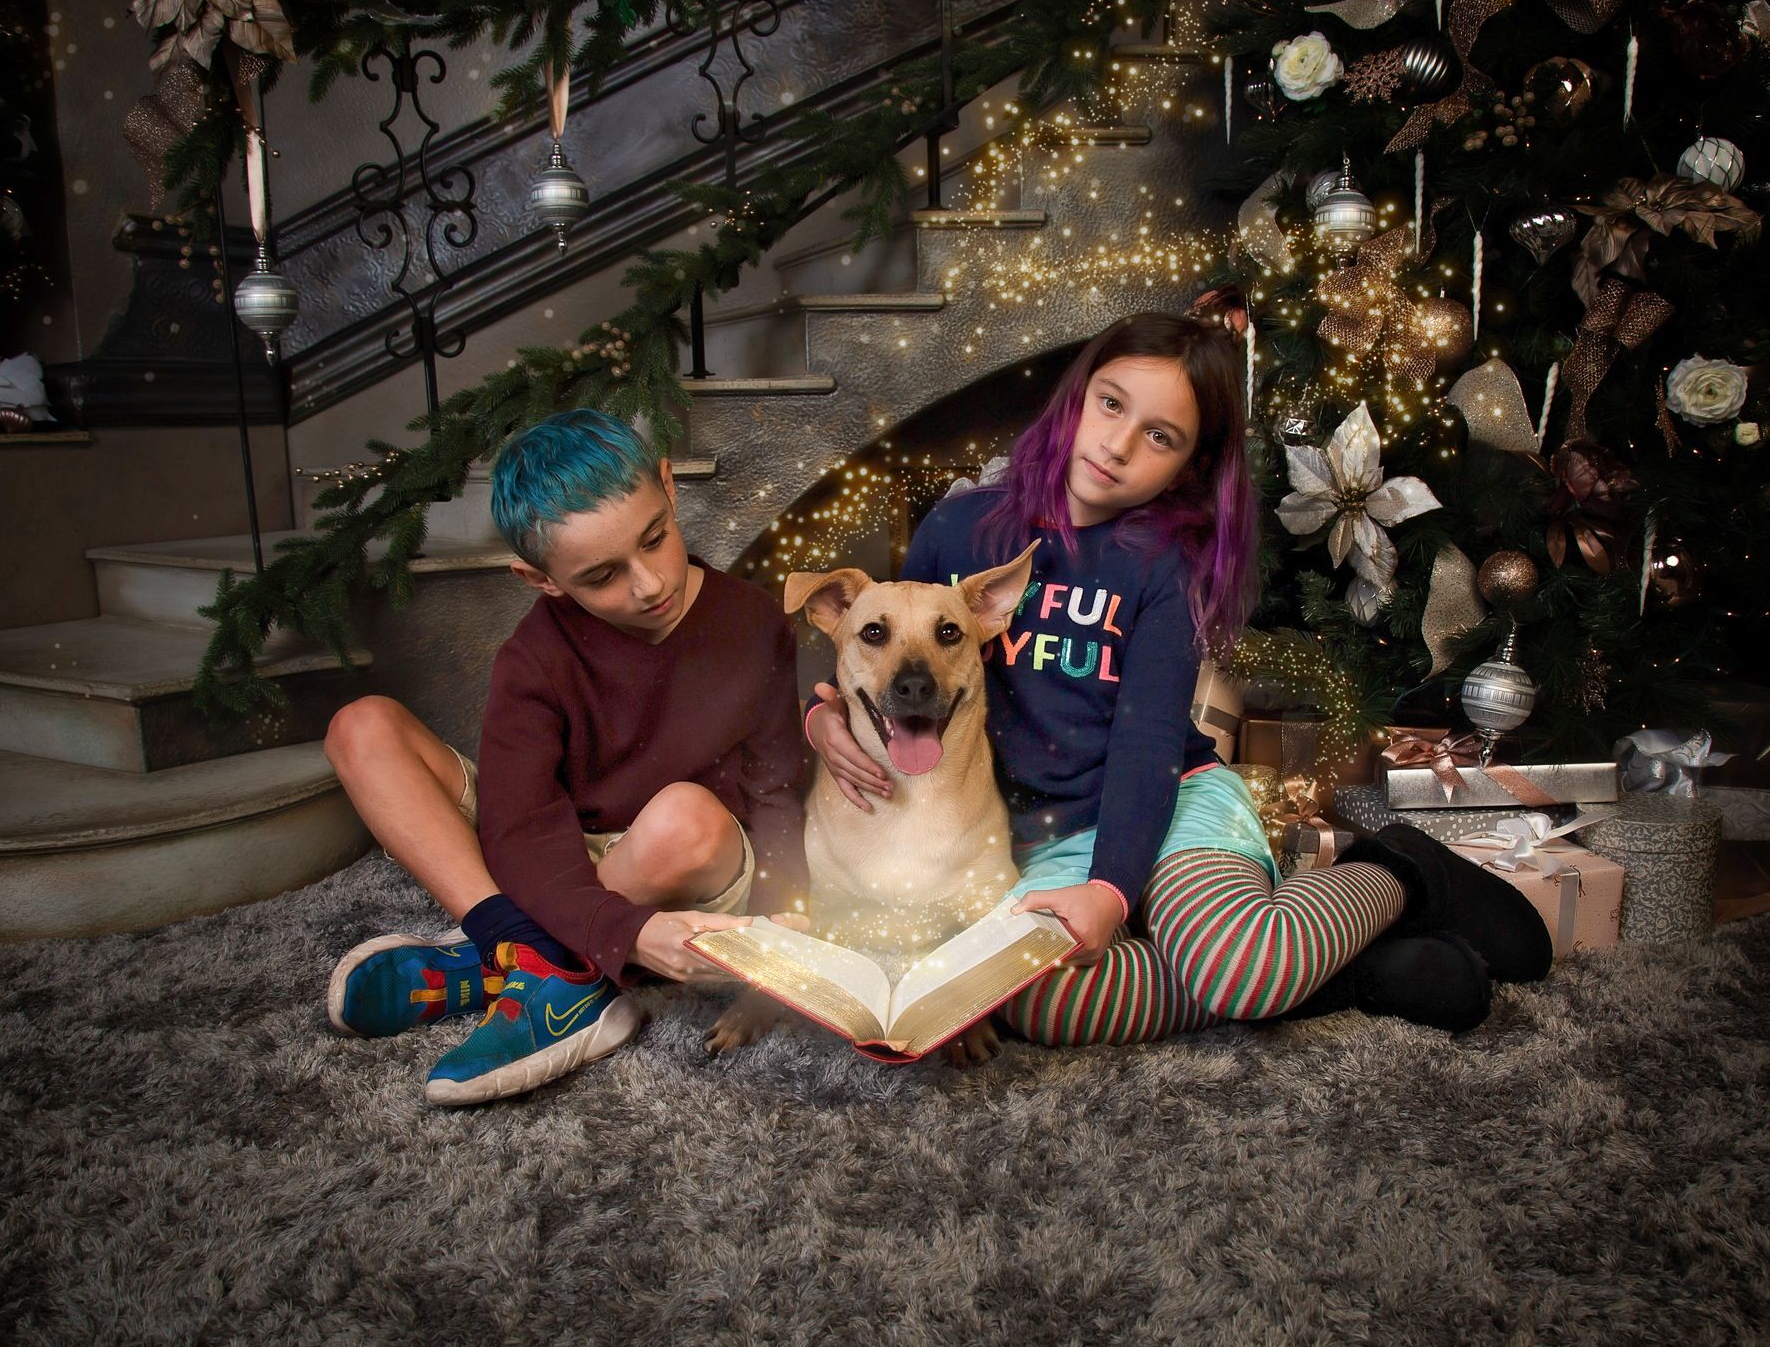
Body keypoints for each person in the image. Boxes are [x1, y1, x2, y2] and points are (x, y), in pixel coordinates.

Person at [806, 296, 1551, 1045]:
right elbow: (887, 642)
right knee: (1030, 1004)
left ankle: (1402, 870)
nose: (1119, 444)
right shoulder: (961, 527)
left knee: (1233, 960)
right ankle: (1332, 973)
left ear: (1189, 465)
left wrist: (1107, 888)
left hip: (1169, 802)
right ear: (1077, 395)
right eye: (1110, 404)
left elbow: (1149, 740)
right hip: (1033, 837)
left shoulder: (1162, 564)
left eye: (1158, 436)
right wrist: (824, 718)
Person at [322, 408, 809, 1105]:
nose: (648, 585)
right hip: (556, 847)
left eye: (656, 539)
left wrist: (782, 920)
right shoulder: (533, 657)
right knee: (359, 726)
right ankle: (534, 958)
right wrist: (630, 934)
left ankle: (513, 957)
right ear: (540, 578)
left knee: (684, 820)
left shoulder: (755, 620)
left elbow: (776, 791)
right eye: (603, 574)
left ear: (669, 488)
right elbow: (519, 827)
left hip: (680, 854)